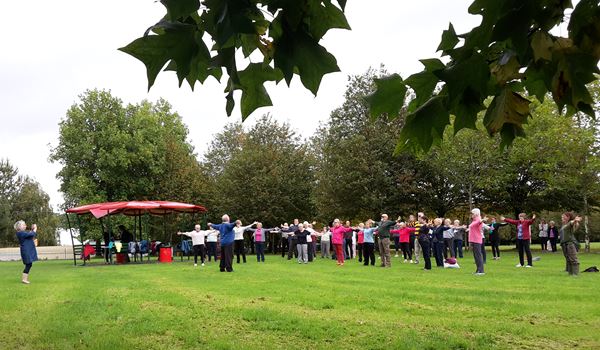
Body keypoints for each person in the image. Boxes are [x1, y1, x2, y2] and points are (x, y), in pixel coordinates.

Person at [469, 209, 485, 276]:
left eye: (472, 213)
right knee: (476, 256)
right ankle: (478, 270)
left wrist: (481, 220)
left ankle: (481, 271)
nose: (471, 215)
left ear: (476, 213)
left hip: (477, 240)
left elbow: (479, 222)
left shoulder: (478, 219)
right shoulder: (474, 220)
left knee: (478, 255)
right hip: (474, 240)